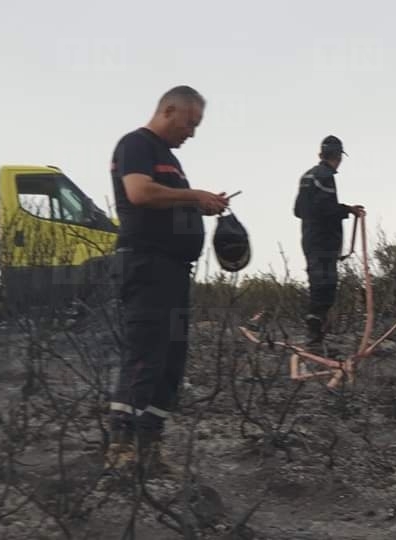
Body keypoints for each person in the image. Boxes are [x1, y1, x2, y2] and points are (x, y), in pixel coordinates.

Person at [105, 85, 229, 477]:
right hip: (146, 265)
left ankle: (151, 445)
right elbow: (139, 193)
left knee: (171, 357)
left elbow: (169, 202)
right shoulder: (136, 144)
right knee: (144, 351)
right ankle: (121, 448)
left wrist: (202, 206)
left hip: (175, 272)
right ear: (169, 110)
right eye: (190, 123)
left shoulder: (171, 162)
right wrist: (195, 195)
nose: (191, 133)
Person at [293, 135, 365, 345]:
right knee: (326, 286)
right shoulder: (324, 176)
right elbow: (324, 209)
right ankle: (315, 337)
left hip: (310, 239)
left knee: (318, 284)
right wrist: (347, 210)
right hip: (323, 241)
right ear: (339, 156)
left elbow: (299, 210)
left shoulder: (308, 176)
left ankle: (315, 334)